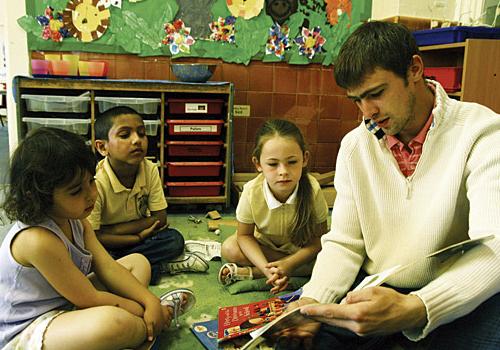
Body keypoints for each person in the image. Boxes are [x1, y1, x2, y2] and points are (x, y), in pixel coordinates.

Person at [276, 21, 500, 349]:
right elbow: (345, 242)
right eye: (357, 100)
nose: (368, 113)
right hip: (375, 287)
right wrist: (313, 301)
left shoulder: (483, 133)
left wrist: (418, 307)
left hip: (451, 289)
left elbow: (495, 247)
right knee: (296, 338)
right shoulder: (356, 146)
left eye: (376, 94)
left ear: (414, 69)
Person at [0, 127, 195, 349]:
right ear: (37, 196)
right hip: (30, 328)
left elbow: (108, 267)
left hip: (68, 305)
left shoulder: (77, 220)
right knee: (113, 324)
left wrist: (149, 300)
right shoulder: (37, 239)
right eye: (75, 191)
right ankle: (151, 326)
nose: (91, 194)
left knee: (138, 262)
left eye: (91, 181)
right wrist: (144, 310)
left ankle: (140, 327)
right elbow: (88, 298)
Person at [89, 106, 209, 284]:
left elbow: (160, 219)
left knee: (174, 239)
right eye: (124, 135)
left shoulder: (150, 169)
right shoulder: (96, 182)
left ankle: (126, 270)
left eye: (142, 133)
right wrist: (136, 236)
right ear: (102, 147)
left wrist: (116, 231)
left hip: (139, 238)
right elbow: (93, 236)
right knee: (90, 257)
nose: (137, 140)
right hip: (112, 244)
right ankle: (153, 268)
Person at [218, 119, 329, 293]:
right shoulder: (251, 191)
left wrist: (290, 263)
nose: (283, 171)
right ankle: (275, 273)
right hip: (266, 248)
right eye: (273, 164)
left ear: (304, 158)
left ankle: (252, 273)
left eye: (292, 162)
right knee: (230, 248)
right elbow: (244, 236)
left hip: (301, 252)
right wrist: (266, 268)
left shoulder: (313, 189)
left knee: (332, 257)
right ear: (258, 164)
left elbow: (318, 241)